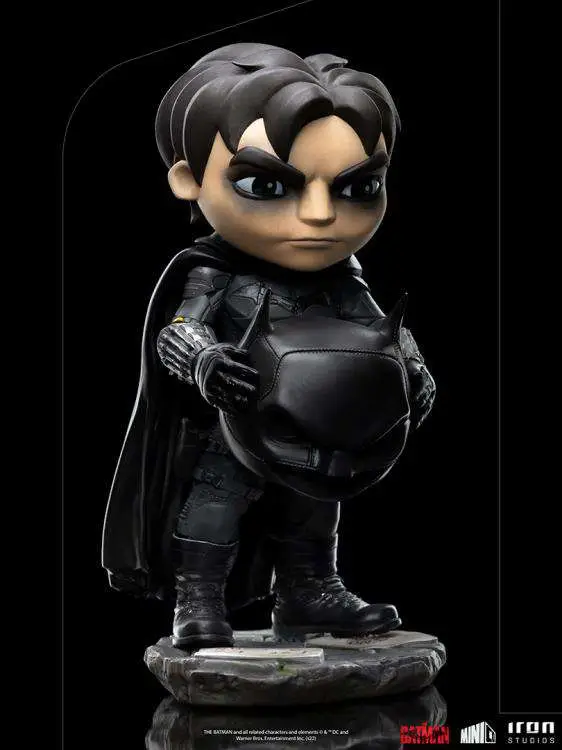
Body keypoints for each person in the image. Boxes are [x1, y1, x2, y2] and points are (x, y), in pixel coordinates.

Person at [102, 43, 436, 650]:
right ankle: (198, 599)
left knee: (315, 507)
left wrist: (410, 366)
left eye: (359, 187)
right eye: (265, 184)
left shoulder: (342, 279)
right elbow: (180, 328)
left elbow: (381, 327)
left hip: (321, 429)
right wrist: (204, 360)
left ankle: (309, 591)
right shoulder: (212, 272)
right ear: (186, 178)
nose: (319, 215)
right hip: (236, 420)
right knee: (215, 504)